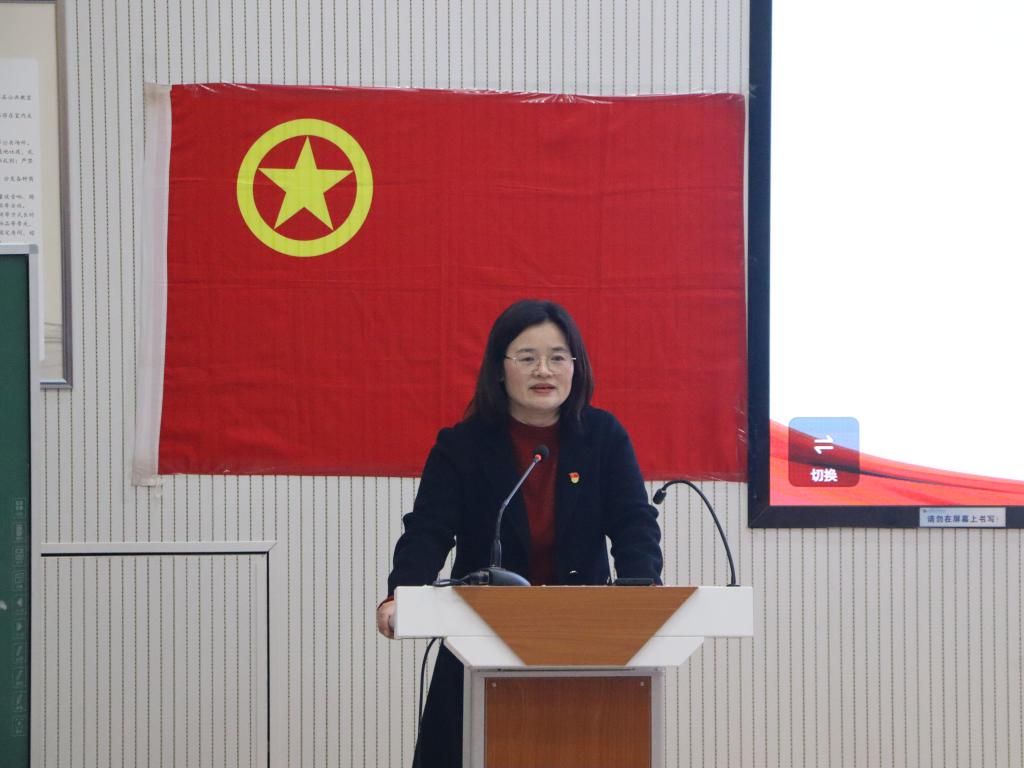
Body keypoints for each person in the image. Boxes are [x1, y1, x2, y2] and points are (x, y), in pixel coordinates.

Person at [375, 298, 663, 766]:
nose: (543, 371)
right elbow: (427, 530)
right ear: (499, 369)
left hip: (583, 640)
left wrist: (643, 587)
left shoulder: (603, 437)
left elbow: (634, 524)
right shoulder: (462, 446)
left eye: (557, 357)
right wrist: (400, 594)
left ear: (576, 367)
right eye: (527, 358)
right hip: (480, 638)